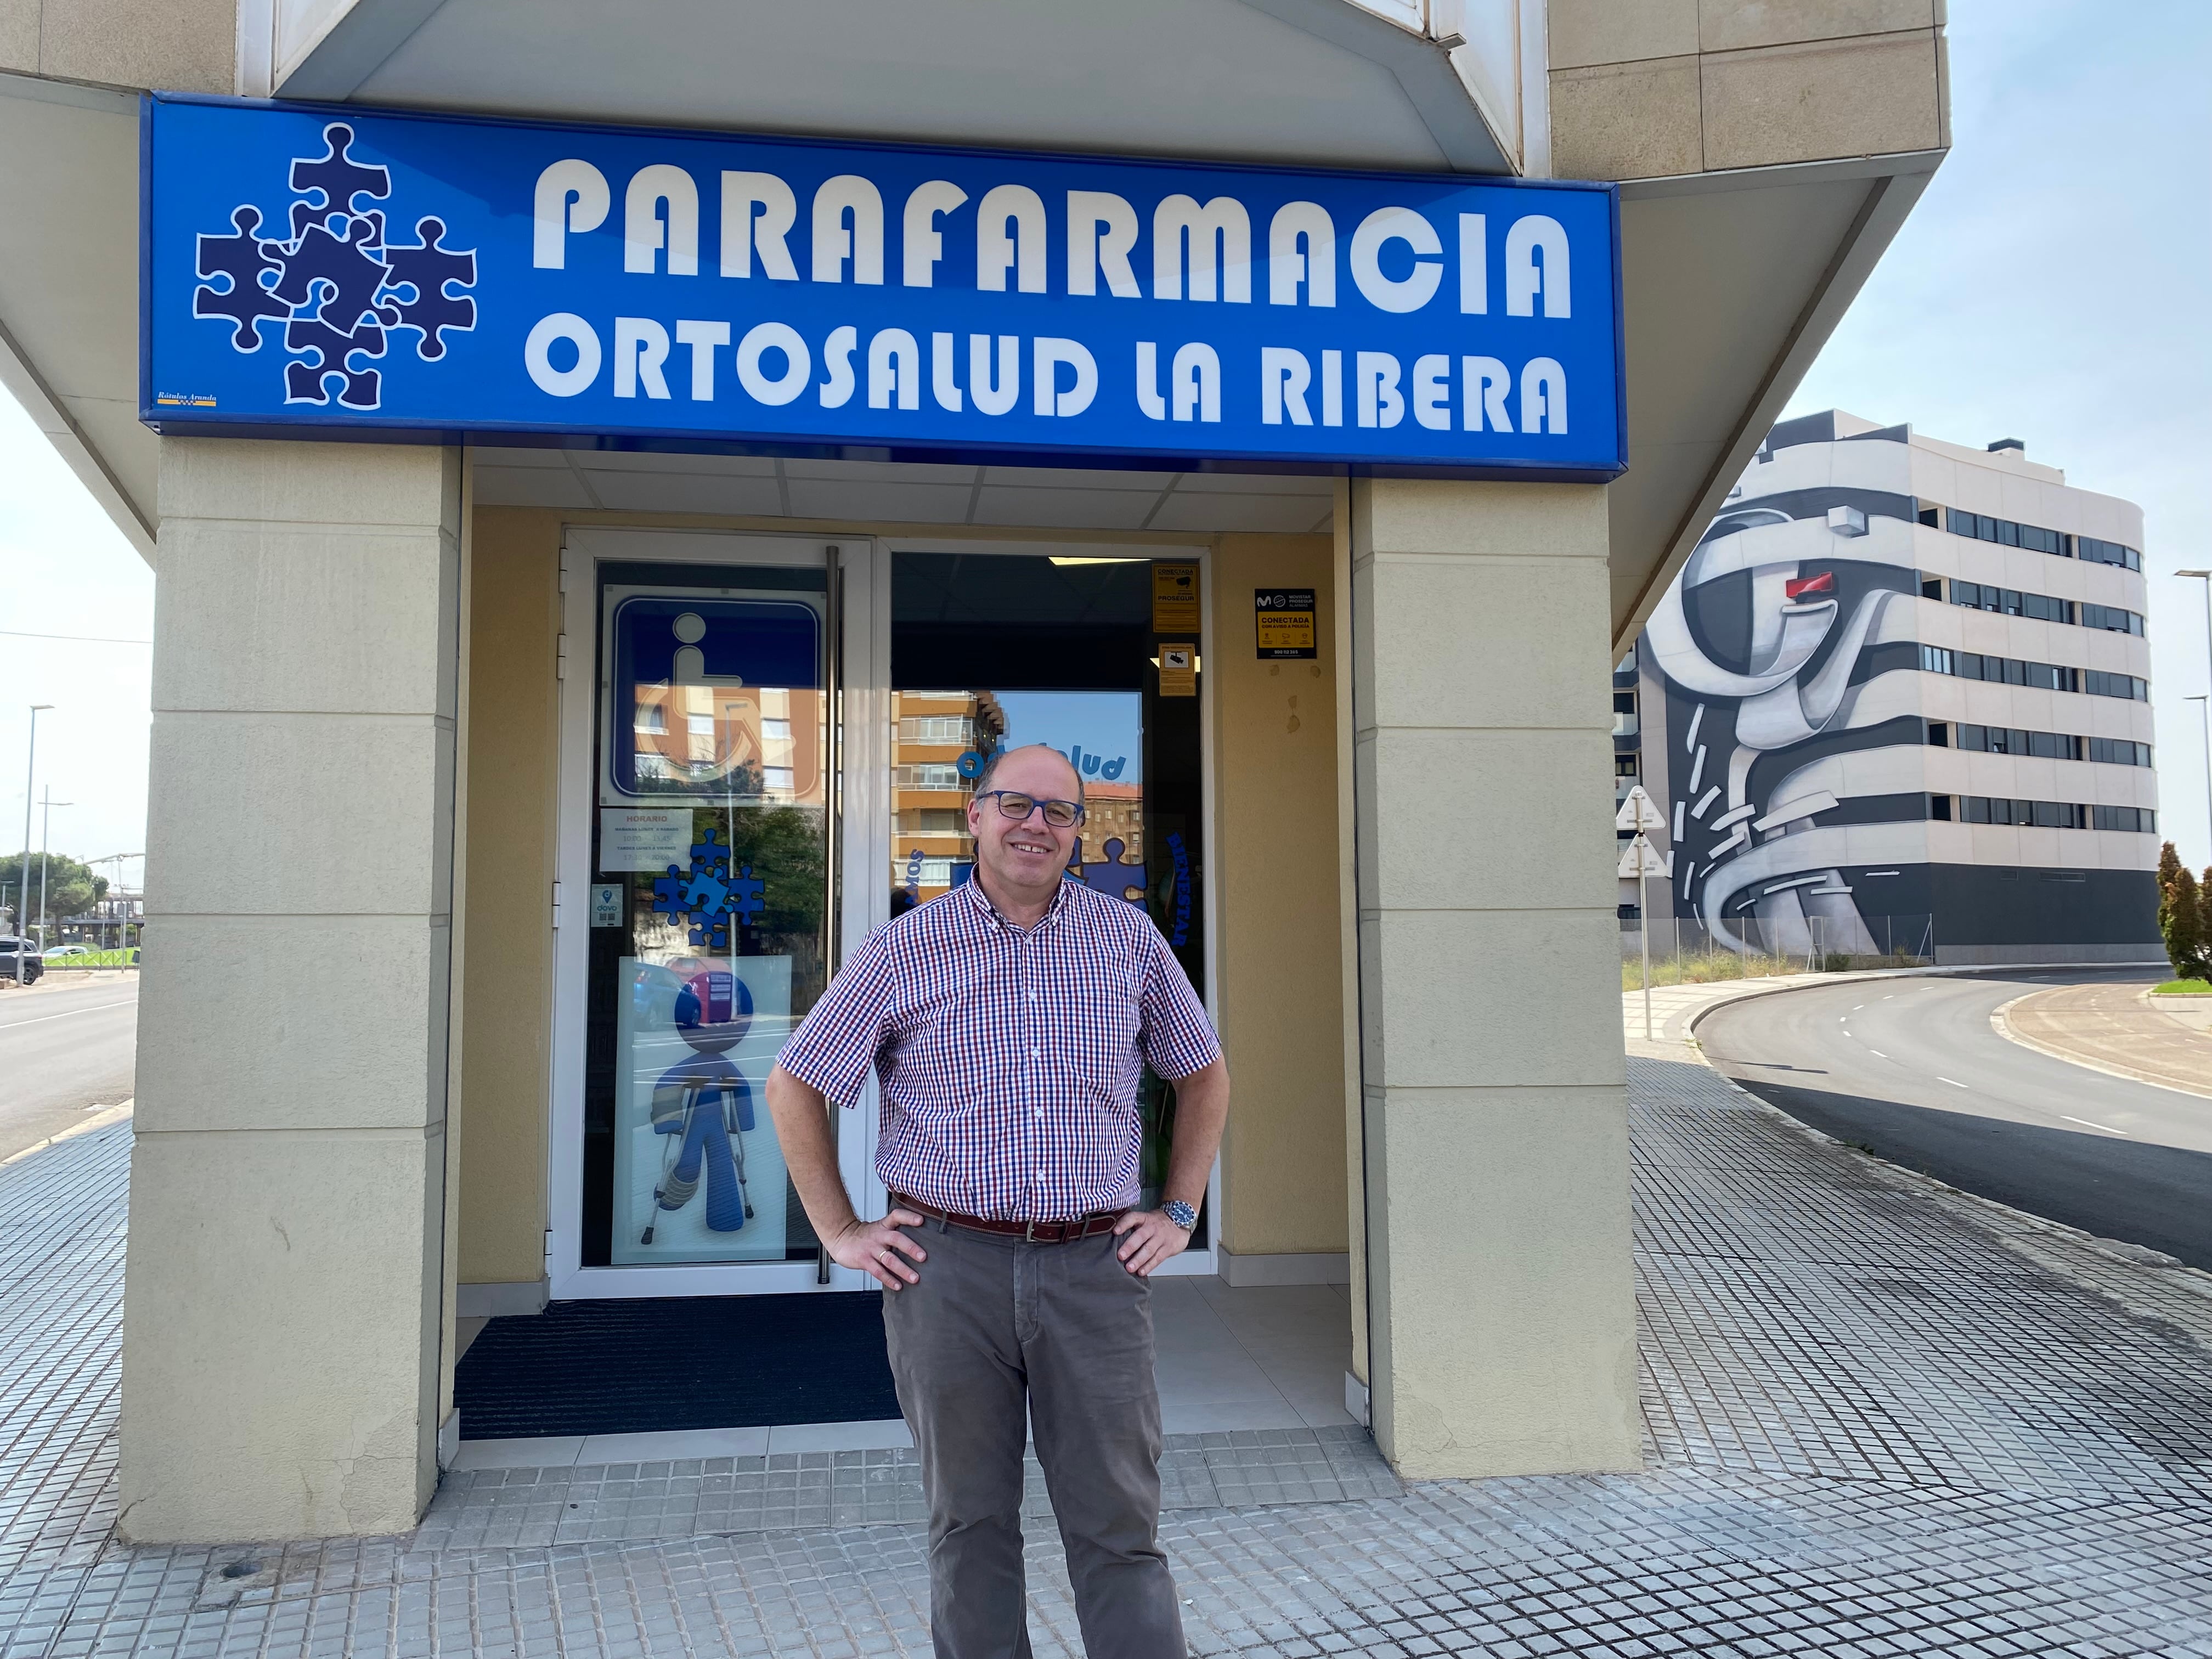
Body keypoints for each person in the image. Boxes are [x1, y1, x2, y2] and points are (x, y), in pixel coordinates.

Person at [768, 742, 1229, 1659]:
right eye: (1016, 804)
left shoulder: (1128, 940)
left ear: (1079, 835)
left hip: (1095, 1271)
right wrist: (841, 1230)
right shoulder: (907, 947)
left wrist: (1179, 1210)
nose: (1036, 825)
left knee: (1119, 1531)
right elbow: (797, 1083)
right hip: (949, 1271)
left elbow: (1204, 1075)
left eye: (1059, 813)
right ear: (975, 817)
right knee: (969, 1528)